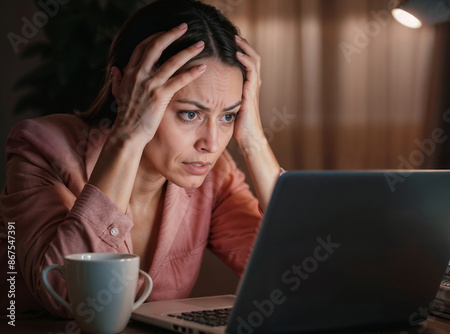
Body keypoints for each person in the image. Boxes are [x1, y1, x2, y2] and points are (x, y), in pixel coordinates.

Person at [0, 0, 281, 318]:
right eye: (190, 114)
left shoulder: (215, 176)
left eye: (228, 116)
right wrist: (128, 136)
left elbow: (293, 274)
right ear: (124, 86)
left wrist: (254, 142)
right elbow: (69, 297)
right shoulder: (43, 149)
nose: (212, 144)